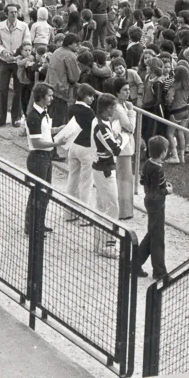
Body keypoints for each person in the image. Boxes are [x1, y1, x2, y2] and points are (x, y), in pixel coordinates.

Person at [135, 135, 172, 280]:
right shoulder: (158, 169)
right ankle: (159, 271)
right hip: (157, 204)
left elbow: (143, 181)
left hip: (148, 201)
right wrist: (167, 190)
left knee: (152, 234)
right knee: (158, 238)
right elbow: (159, 191)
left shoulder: (147, 164)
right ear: (163, 152)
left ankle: (135, 263)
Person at [24, 83, 58, 237]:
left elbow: (45, 132)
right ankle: (31, 226)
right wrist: (57, 143)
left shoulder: (44, 113)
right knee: (38, 192)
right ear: (41, 97)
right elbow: (37, 142)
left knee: (46, 192)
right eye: (49, 95)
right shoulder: (33, 116)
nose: (52, 98)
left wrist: (59, 130)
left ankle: (39, 223)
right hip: (38, 157)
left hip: (46, 156)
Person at [91, 94, 122, 257]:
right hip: (104, 169)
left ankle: (98, 243)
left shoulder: (103, 123)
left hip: (103, 167)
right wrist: (122, 138)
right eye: (114, 107)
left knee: (102, 206)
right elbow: (116, 148)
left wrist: (116, 140)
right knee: (112, 206)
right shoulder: (101, 127)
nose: (115, 110)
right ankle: (108, 245)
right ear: (107, 108)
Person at [64, 83, 97, 216]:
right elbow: (95, 128)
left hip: (73, 146)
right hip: (86, 148)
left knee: (72, 178)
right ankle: (85, 214)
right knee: (86, 182)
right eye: (90, 96)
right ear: (83, 96)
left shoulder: (71, 108)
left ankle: (69, 212)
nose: (93, 99)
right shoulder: (89, 111)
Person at [0, 4, 29, 127]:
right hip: (4, 61)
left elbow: (27, 43)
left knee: (18, 90)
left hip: (18, 62)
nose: (14, 14)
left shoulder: (24, 26)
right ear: (6, 14)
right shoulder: (0, 26)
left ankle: (16, 117)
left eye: (16, 12)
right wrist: (3, 51)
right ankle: (2, 117)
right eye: (11, 12)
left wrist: (16, 53)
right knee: (3, 89)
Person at [111, 78, 137, 220]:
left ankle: (126, 209)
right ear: (117, 92)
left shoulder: (123, 105)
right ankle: (124, 211)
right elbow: (130, 126)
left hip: (126, 145)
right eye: (124, 90)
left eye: (128, 89)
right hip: (122, 147)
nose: (128, 92)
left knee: (126, 178)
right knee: (124, 179)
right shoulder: (119, 108)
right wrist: (132, 112)